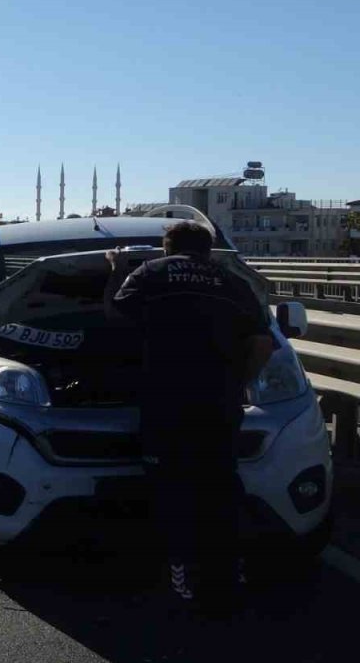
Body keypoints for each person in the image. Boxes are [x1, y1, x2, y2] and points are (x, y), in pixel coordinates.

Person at [105, 221, 274, 604]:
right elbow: (263, 342)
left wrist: (116, 268)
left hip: (167, 400)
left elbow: (116, 314)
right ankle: (229, 569)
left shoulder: (150, 272)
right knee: (221, 483)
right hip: (219, 403)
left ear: (167, 249)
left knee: (172, 486)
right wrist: (239, 384)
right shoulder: (232, 281)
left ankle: (181, 569)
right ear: (209, 250)